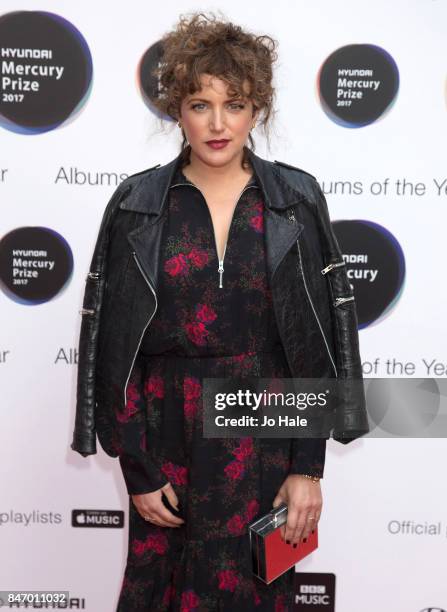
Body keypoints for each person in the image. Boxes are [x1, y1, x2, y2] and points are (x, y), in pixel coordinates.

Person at [71, 11, 368, 612]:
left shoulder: (296, 199)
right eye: (199, 104)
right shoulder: (138, 203)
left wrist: (308, 466)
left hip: (263, 430)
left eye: (233, 104)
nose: (216, 122)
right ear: (177, 110)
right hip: (166, 434)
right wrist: (136, 465)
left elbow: (310, 344)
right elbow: (115, 347)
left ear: (256, 109)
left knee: (257, 592)